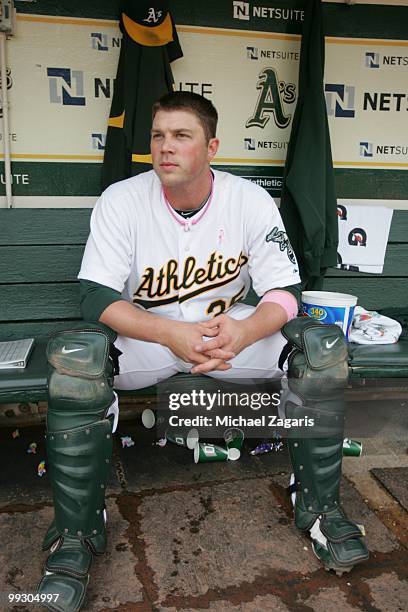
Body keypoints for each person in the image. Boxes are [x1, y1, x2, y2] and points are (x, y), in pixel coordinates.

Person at [38, 91, 368, 611]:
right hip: (150, 336)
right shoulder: (123, 199)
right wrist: (168, 334)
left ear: (211, 146)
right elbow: (95, 297)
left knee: (322, 349)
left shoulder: (249, 200)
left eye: (181, 136)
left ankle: (319, 507)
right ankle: (77, 533)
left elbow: (285, 292)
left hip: (225, 337)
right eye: (158, 136)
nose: (165, 147)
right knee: (78, 365)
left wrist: (246, 331)